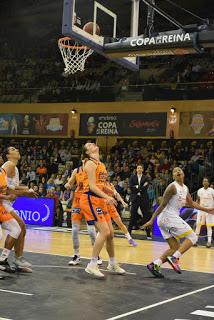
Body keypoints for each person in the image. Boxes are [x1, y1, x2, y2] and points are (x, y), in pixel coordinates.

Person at [143, 167, 214, 278]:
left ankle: (155, 264)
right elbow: (162, 205)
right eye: (175, 171)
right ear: (173, 176)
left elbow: (192, 204)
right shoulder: (172, 187)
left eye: (179, 170)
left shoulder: (185, 188)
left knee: (174, 248)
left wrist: (208, 210)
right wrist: (152, 219)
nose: (177, 171)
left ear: (183, 173)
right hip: (167, 217)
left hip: (166, 219)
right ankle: (175, 258)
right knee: (193, 237)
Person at [80, 142, 126, 278]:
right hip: (90, 199)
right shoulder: (89, 164)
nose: (93, 144)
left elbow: (102, 185)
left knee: (110, 233)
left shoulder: (100, 164)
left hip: (99, 200)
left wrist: (114, 193)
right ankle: (92, 264)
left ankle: (112, 263)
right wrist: (108, 197)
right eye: (89, 145)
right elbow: (93, 187)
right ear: (87, 152)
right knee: (104, 231)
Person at [1, 148, 37, 271]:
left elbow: (13, 186)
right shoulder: (9, 165)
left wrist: (26, 189)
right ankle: (10, 259)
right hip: (3, 202)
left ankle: (16, 258)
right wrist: (26, 193)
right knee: (19, 226)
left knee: (20, 227)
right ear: (7, 155)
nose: (17, 150)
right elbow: (6, 189)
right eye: (13, 149)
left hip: (8, 202)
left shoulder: (15, 168)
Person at [64, 165, 102, 266]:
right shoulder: (77, 170)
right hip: (77, 200)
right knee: (75, 230)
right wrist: (67, 184)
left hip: (89, 200)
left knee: (91, 231)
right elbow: (70, 182)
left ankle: (96, 255)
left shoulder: (93, 169)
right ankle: (76, 255)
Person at [103, 181, 138, 247]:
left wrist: (123, 202)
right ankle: (97, 239)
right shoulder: (99, 184)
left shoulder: (110, 184)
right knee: (106, 228)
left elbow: (116, 194)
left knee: (120, 223)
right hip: (103, 207)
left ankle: (130, 239)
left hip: (111, 207)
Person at [128, 165, 151, 239]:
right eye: (138, 168)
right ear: (136, 169)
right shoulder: (132, 177)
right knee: (132, 215)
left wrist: (137, 187)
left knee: (146, 216)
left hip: (144, 199)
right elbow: (131, 187)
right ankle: (129, 233)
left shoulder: (146, 177)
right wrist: (140, 187)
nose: (139, 169)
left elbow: (145, 187)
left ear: (143, 170)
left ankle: (148, 234)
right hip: (135, 198)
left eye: (141, 168)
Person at [195, 177, 214, 248]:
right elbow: (198, 200)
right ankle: (195, 240)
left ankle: (209, 242)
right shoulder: (199, 191)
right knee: (198, 225)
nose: (205, 182)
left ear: (208, 183)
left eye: (206, 181)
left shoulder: (212, 191)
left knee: (209, 226)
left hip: (209, 210)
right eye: (204, 181)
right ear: (202, 183)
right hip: (201, 210)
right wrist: (195, 206)